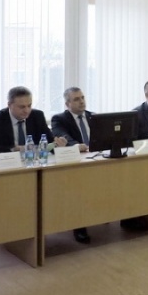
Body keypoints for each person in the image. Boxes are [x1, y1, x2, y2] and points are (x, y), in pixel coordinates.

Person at [51, 87, 94, 244]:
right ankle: (79, 226)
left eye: (82, 97)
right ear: (67, 104)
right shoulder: (59, 119)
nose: (81, 101)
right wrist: (76, 145)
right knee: (79, 188)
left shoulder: (93, 116)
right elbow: (62, 136)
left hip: (95, 158)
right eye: (76, 99)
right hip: (76, 162)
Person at [0, 86, 67, 158]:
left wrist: (57, 144)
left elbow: (48, 141)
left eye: (29, 106)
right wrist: (12, 149)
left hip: (33, 162)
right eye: (22, 107)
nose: (27, 110)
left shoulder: (37, 116)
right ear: (9, 105)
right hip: (7, 164)